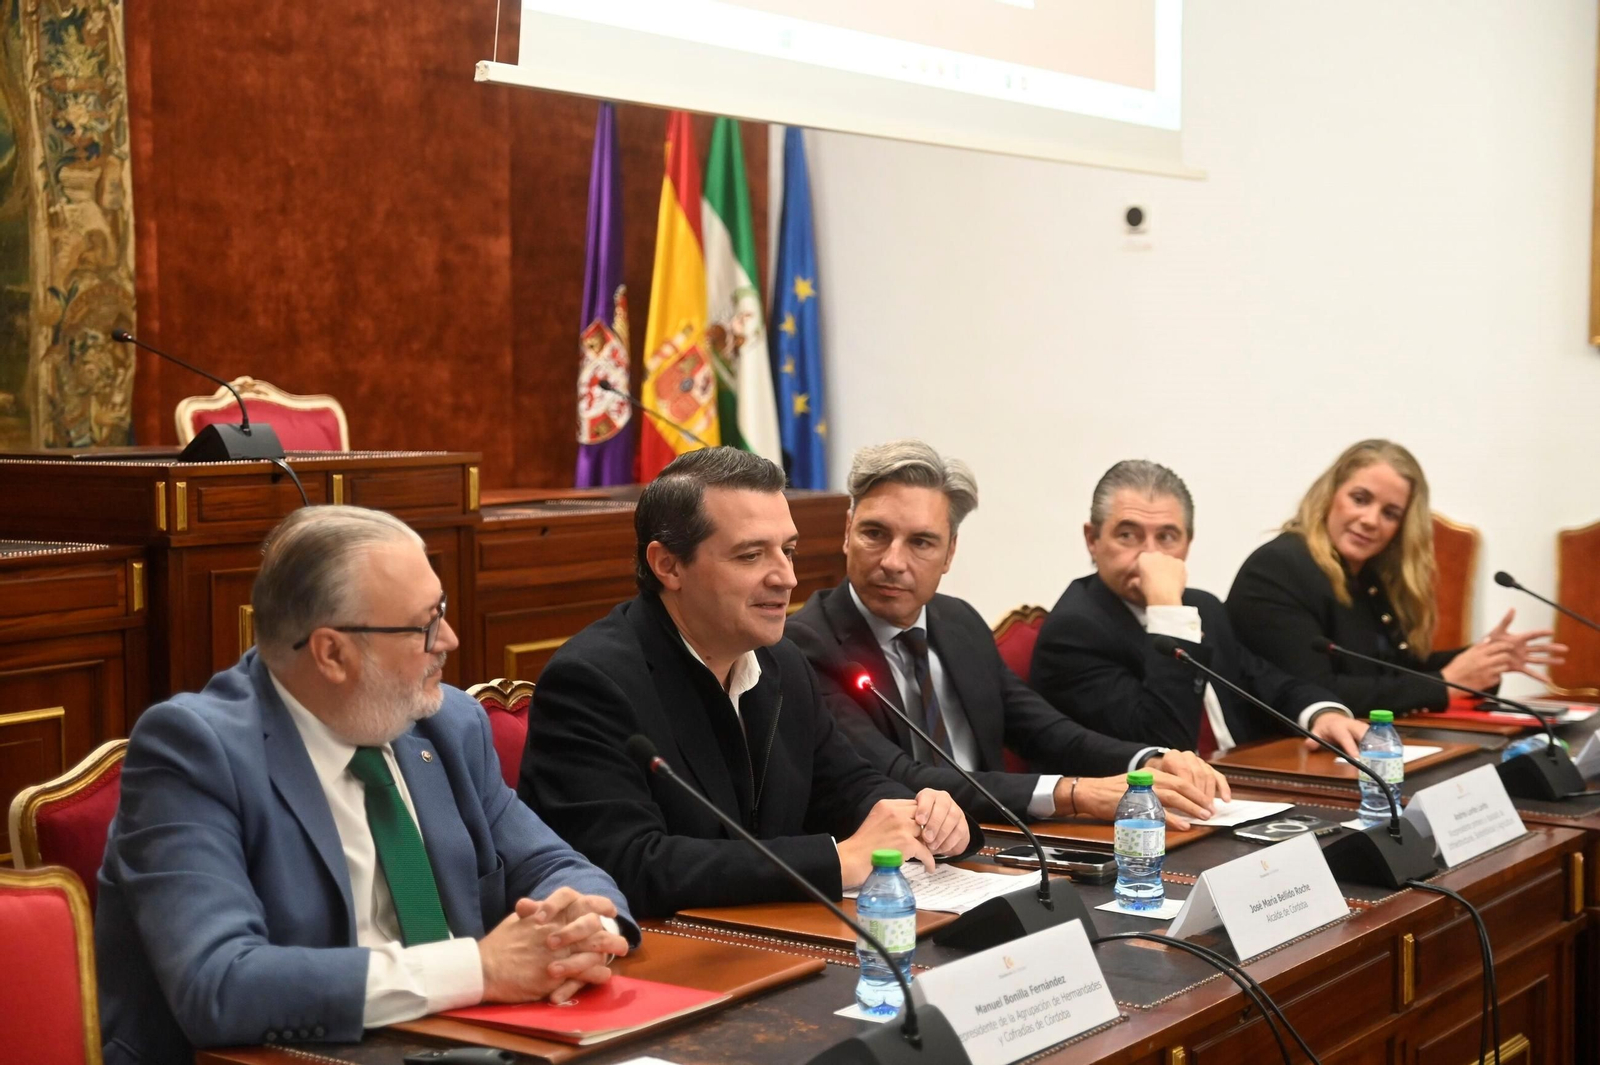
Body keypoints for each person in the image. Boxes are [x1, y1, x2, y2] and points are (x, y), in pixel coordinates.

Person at [96, 506, 637, 1064]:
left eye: (442, 612)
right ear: (332, 652)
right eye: (424, 625)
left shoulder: (447, 724)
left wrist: (583, 931)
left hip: (468, 1044)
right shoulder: (195, 752)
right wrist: (479, 968)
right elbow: (219, 983)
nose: (449, 639)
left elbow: (555, 865)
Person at [519, 448, 973, 920]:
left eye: (788, 551)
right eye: (751, 555)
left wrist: (925, 816)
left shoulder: (782, 662)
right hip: (667, 951)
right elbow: (629, 862)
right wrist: (836, 861)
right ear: (668, 565)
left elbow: (843, 786)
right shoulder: (591, 681)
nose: (787, 578)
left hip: (778, 934)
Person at [788, 440, 1229, 830]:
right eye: (874, 534)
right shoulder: (809, 644)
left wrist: (1147, 761)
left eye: (921, 542)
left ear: (950, 552)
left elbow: (1045, 730)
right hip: (889, 858)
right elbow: (898, 776)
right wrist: (1073, 794)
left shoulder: (957, 622)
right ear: (847, 533)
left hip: (999, 840)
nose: (893, 562)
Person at [1031, 460, 1368, 758]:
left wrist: (1323, 714)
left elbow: (1266, 683)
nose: (1150, 556)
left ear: (1188, 544)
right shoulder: (1075, 631)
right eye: (1128, 535)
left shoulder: (1202, 606)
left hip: (1239, 776)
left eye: (1167, 537)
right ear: (1092, 539)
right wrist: (1167, 613)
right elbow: (1164, 743)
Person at [1226, 439, 1563, 714]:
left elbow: (1393, 672)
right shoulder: (1278, 567)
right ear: (1329, 495)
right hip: (1275, 751)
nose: (1371, 520)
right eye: (1360, 499)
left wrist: (1482, 660)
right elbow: (1316, 692)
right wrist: (1445, 682)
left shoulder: (1369, 576)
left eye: (1390, 513)